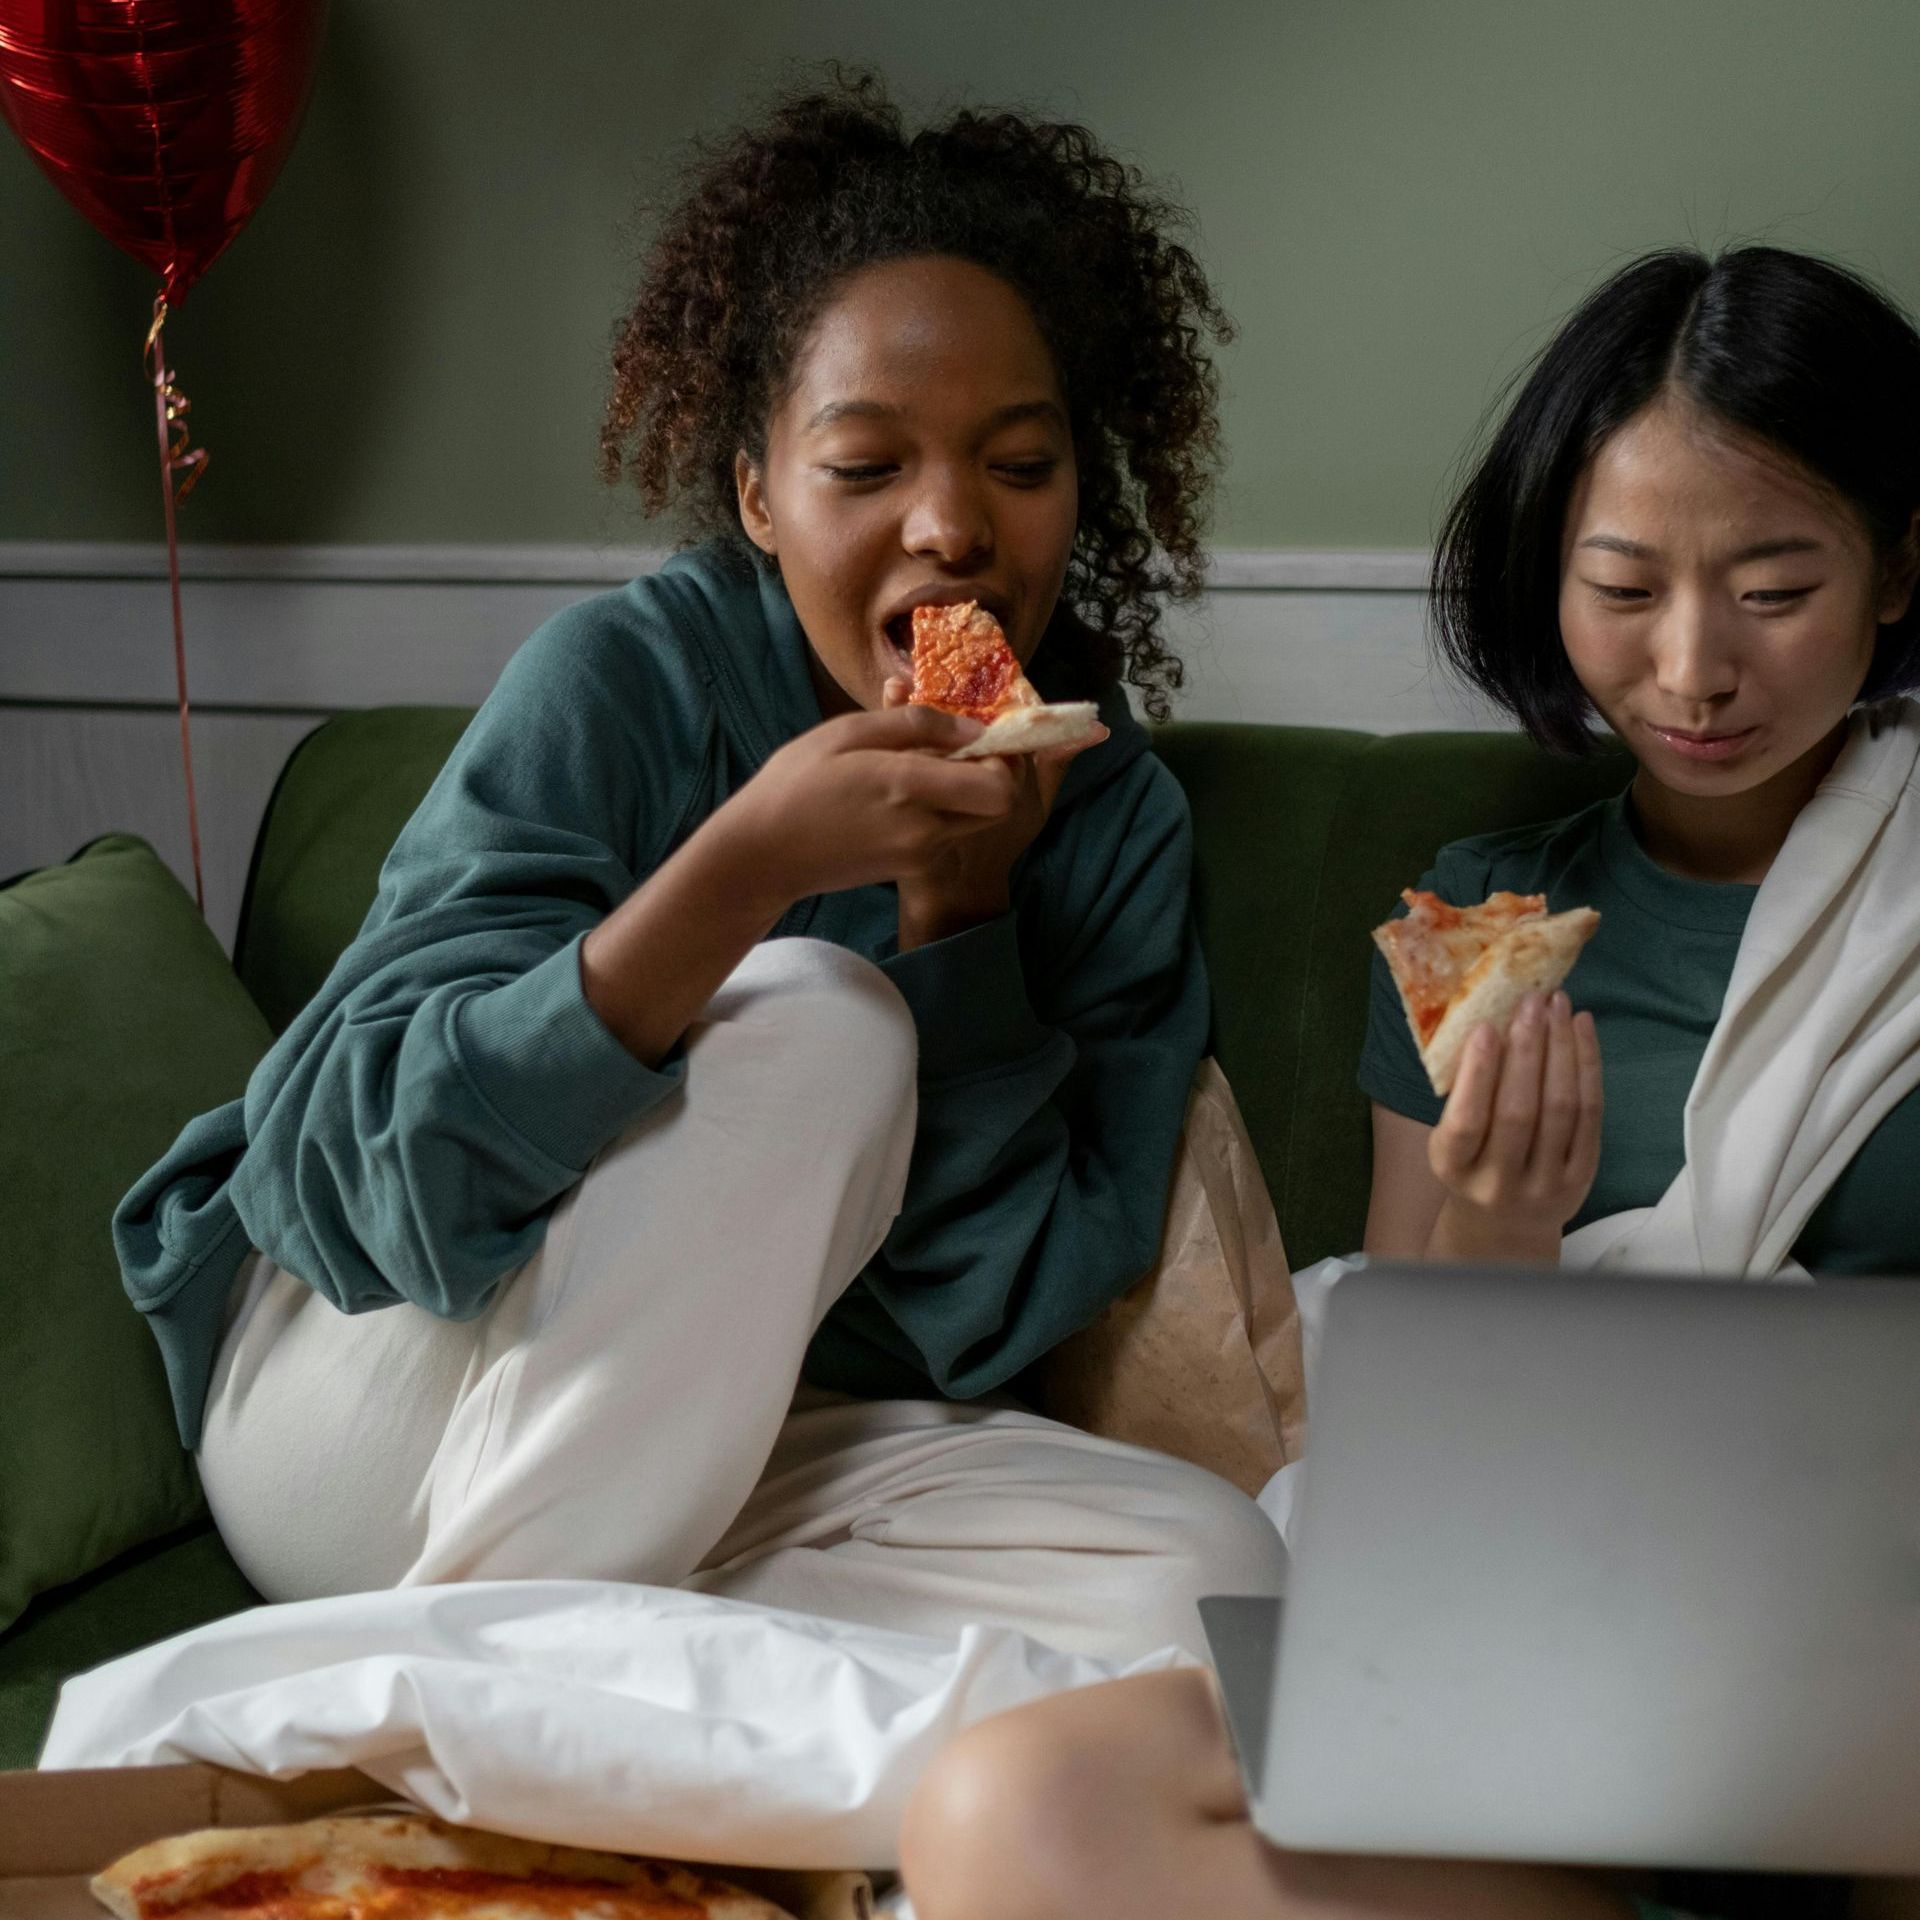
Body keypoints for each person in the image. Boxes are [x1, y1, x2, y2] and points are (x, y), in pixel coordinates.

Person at [112, 74, 1286, 1665]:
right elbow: (364, 1183)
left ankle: (557, 1679)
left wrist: (964, 926)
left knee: (1207, 1578)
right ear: (756, 493)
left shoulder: (1112, 816)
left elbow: (990, 1330)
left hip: (711, 1448)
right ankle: (425, 1699)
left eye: (1019, 464)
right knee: (821, 1018)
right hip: (370, 1380)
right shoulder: (621, 681)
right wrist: (735, 877)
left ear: (1082, 484)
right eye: (864, 468)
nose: (950, 526)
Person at [900, 244, 1920, 1918]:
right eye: (1623, 585)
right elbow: (1414, 1453)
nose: (1692, 667)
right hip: (1557, 1663)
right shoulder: (1474, 929)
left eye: (1775, 587)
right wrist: (1502, 1234)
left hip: (1881, 1682)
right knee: (1015, 1807)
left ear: (1895, 572)